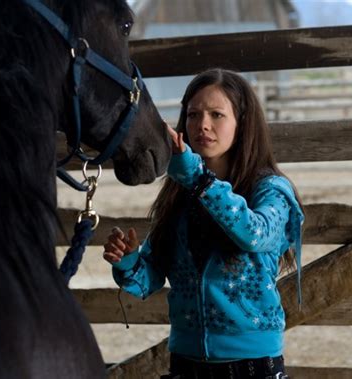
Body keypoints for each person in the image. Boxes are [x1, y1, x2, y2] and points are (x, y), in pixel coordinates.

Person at [103, 68, 304, 379]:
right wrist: (128, 260)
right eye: (193, 114)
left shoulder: (272, 190)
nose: (202, 125)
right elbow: (149, 279)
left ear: (243, 122)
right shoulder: (178, 196)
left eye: (217, 115)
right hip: (185, 364)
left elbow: (255, 233)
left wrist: (196, 178)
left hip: (252, 368)